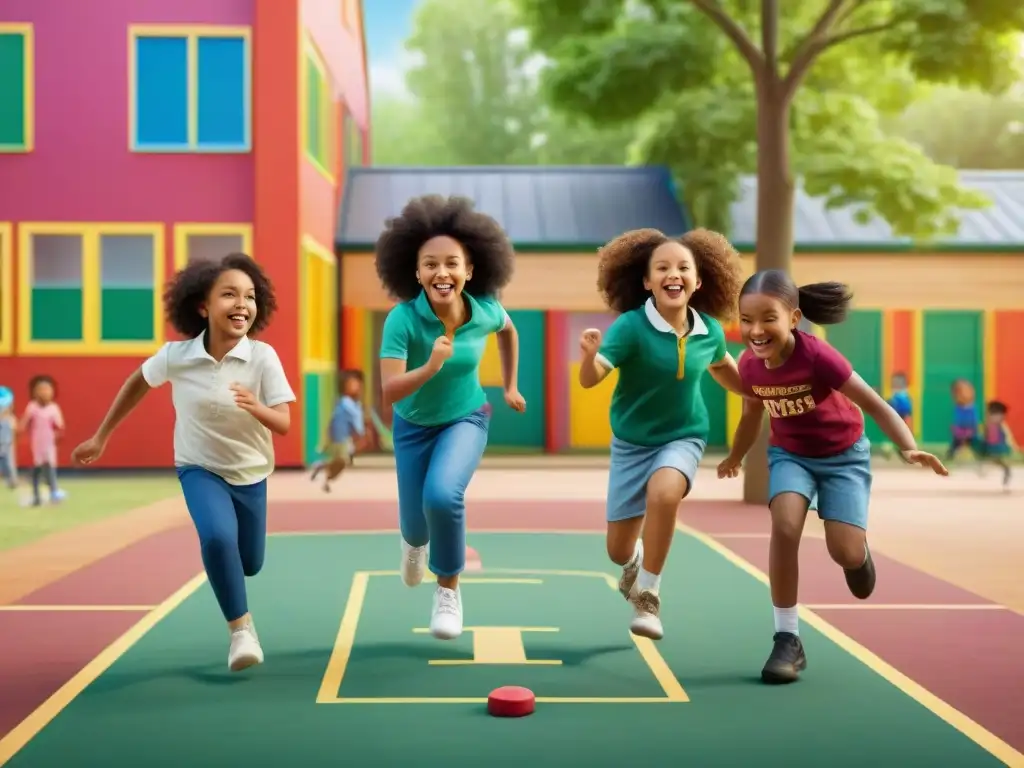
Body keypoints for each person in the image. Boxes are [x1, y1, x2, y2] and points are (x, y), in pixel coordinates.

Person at [718, 269, 947, 685]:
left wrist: (907, 446)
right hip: (791, 456)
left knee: (843, 552)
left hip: (843, 456)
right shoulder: (750, 366)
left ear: (793, 317)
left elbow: (876, 405)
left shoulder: (819, 357)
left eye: (767, 317)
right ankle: (787, 639)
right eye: (746, 319)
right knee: (785, 525)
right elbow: (752, 416)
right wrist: (735, 455)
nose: (755, 329)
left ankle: (856, 556)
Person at [70, 253, 295, 673]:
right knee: (216, 538)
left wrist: (254, 407)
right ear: (202, 305)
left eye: (249, 296)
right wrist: (102, 435)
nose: (241, 303)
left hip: (250, 472)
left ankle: (237, 587)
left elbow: (283, 422)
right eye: (229, 294)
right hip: (198, 467)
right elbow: (137, 381)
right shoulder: (177, 356)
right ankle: (241, 632)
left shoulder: (262, 357)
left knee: (249, 561)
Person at [578, 227, 745, 641]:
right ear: (647, 282)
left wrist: (764, 392)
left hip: (683, 436)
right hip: (632, 444)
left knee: (665, 493)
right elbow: (592, 378)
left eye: (683, 267)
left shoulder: (709, 330)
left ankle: (649, 594)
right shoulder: (630, 328)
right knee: (617, 550)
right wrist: (587, 357)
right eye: (663, 267)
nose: (674, 274)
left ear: (699, 281)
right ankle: (633, 563)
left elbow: (725, 367)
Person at [375, 194, 524, 641]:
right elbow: (389, 389)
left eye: (452, 263)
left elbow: (509, 331)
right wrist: (431, 366)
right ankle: (413, 544)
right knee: (416, 522)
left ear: (471, 270)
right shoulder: (402, 320)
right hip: (412, 426)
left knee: (442, 496)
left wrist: (511, 385)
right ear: (415, 272)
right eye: (431, 264)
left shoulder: (486, 311)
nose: (442, 272)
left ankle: (448, 593)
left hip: (466, 417)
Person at [310, 369, 367, 493]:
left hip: (343, 437)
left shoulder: (351, 403)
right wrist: (360, 433)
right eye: (352, 385)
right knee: (342, 461)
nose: (356, 387)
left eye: (357, 385)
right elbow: (354, 421)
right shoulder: (346, 403)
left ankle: (322, 469)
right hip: (340, 437)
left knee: (338, 461)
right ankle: (327, 477)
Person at [19, 375, 65, 505]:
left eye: (47, 389)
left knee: (50, 468)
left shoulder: (53, 408)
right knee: (37, 470)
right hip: (37, 443)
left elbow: (60, 426)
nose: (44, 392)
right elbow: (25, 423)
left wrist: (58, 436)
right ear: (34, 392)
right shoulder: (32, 407)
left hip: (49, 443)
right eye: (40, 389)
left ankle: (54, 493)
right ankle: (36, 496)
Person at [979, 400, 1016, 489]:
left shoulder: (1001, 426)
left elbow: (1007, 437)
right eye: (989, 414)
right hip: (990, 448)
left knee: (1000, 461)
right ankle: (1003, 470)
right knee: (994, 460)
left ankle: (1006, 471)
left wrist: (1011, 445)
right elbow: (984, 435)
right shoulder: (987, 425)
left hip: (1000, 448)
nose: (991, 417)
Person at [0, 386, 17, 490]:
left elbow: (14, 431)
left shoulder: (10, 420)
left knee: (9, 462)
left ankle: (12, 481)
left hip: (7, 444)